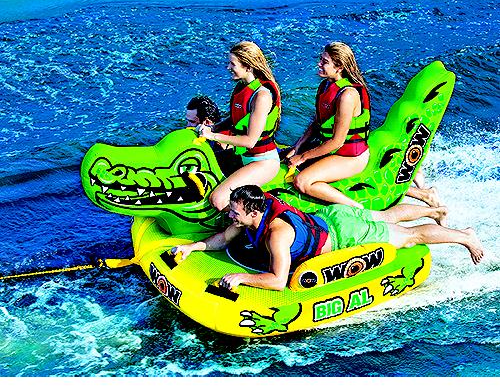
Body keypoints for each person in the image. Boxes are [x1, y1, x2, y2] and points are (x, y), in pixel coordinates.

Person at [173, 185, 484, 291]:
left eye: (235, 212)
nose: (230, 215)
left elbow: (278, 281)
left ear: (254, 212)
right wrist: (192, 247)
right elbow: (223, 239)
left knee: (410, 237)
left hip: (343, 232)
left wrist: (241, 278)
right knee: (382, 216)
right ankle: (433, 209)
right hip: (330, 216)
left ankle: (465, 236)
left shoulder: (277, 235)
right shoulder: (248, 216)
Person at [196, 41, 281, 211]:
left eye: (232, 64)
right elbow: (236, 119)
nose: (228, 67)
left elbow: (250, 141)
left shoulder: (262, 96)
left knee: (218, 200)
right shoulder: (243, 87)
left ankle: (252, 217)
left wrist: (212, 136)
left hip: (263, 161)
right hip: (243, 156)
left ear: (248, 67)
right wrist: (213, 128)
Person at [287, 42, 371, 208]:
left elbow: (337, 142)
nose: (319, 64)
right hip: (331, 151)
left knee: (302, 181)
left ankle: (358, 209)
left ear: (339, 67)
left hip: (350, 157)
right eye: (321, 59)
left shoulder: (347, 95)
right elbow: (317, 123)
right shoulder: (326, 86)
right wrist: (297, 147)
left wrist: (302, 157)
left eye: (325, 62)